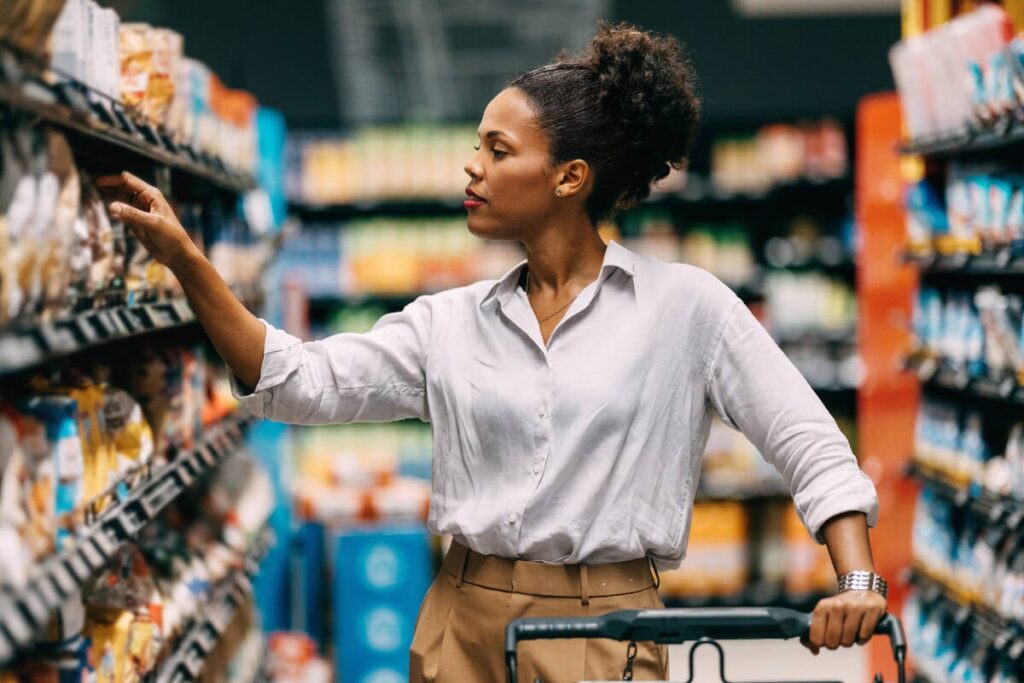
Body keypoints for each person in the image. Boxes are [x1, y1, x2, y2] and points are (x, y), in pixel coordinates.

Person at [99, 21, 886, 683]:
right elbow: (296, 381)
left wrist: (856, 579)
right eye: (477, 145)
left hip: (607, 632)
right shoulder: (447, 322)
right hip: (462, 621)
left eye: (498, 149)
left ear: (569, 176)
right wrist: (186, 260)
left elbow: (810, 444)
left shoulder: (687, 308)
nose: (471, 167)